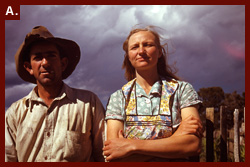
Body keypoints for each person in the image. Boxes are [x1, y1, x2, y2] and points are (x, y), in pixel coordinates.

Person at [103, 26, 203, 162]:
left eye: (147, 45)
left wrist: (132, 146)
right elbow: (114, 153)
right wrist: (175, 138)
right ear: (128, 56)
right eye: (134, 47)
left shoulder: (182, 90)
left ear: (160, 52)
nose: (141, 51)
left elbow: (192, 145)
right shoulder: (118, 98)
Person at [5, 26, 105, 162]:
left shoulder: (88, 103)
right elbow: (8, 158)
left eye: (51, 56)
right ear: (29, 67)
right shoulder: (15, 112)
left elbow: (104, 154)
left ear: (63, 63)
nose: (45, 63)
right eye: (38, 58)